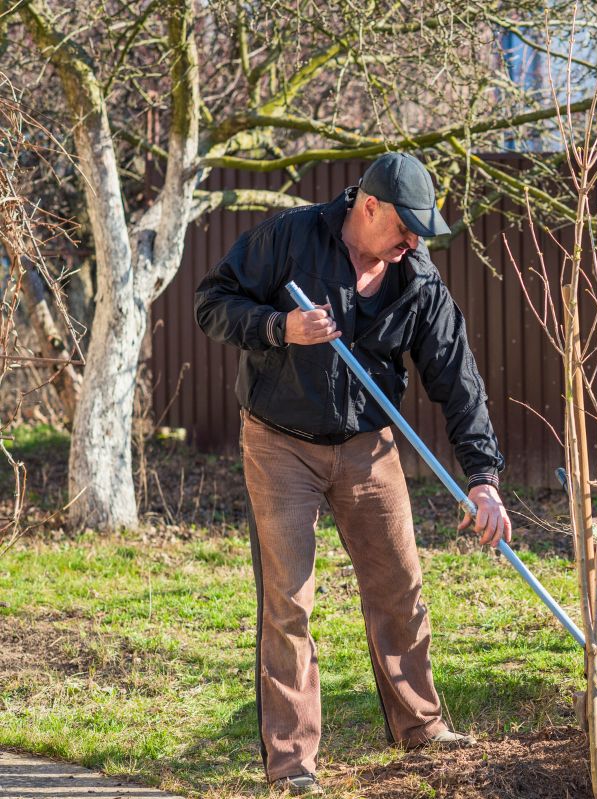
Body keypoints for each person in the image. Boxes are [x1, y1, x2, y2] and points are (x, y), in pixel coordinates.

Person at [195, 152, 511, 796]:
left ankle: (421, 727)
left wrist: (482, 477)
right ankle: (292, 763)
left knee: (399, 582)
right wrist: (280, 327)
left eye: (423, 231)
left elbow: (459, 380)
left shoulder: (416, 278)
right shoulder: (289, 237)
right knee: (290, 600)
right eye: (407, 226)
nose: (414, 241)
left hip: (368, 447)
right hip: (280, 443)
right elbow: (212, 303)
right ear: (370, 207)